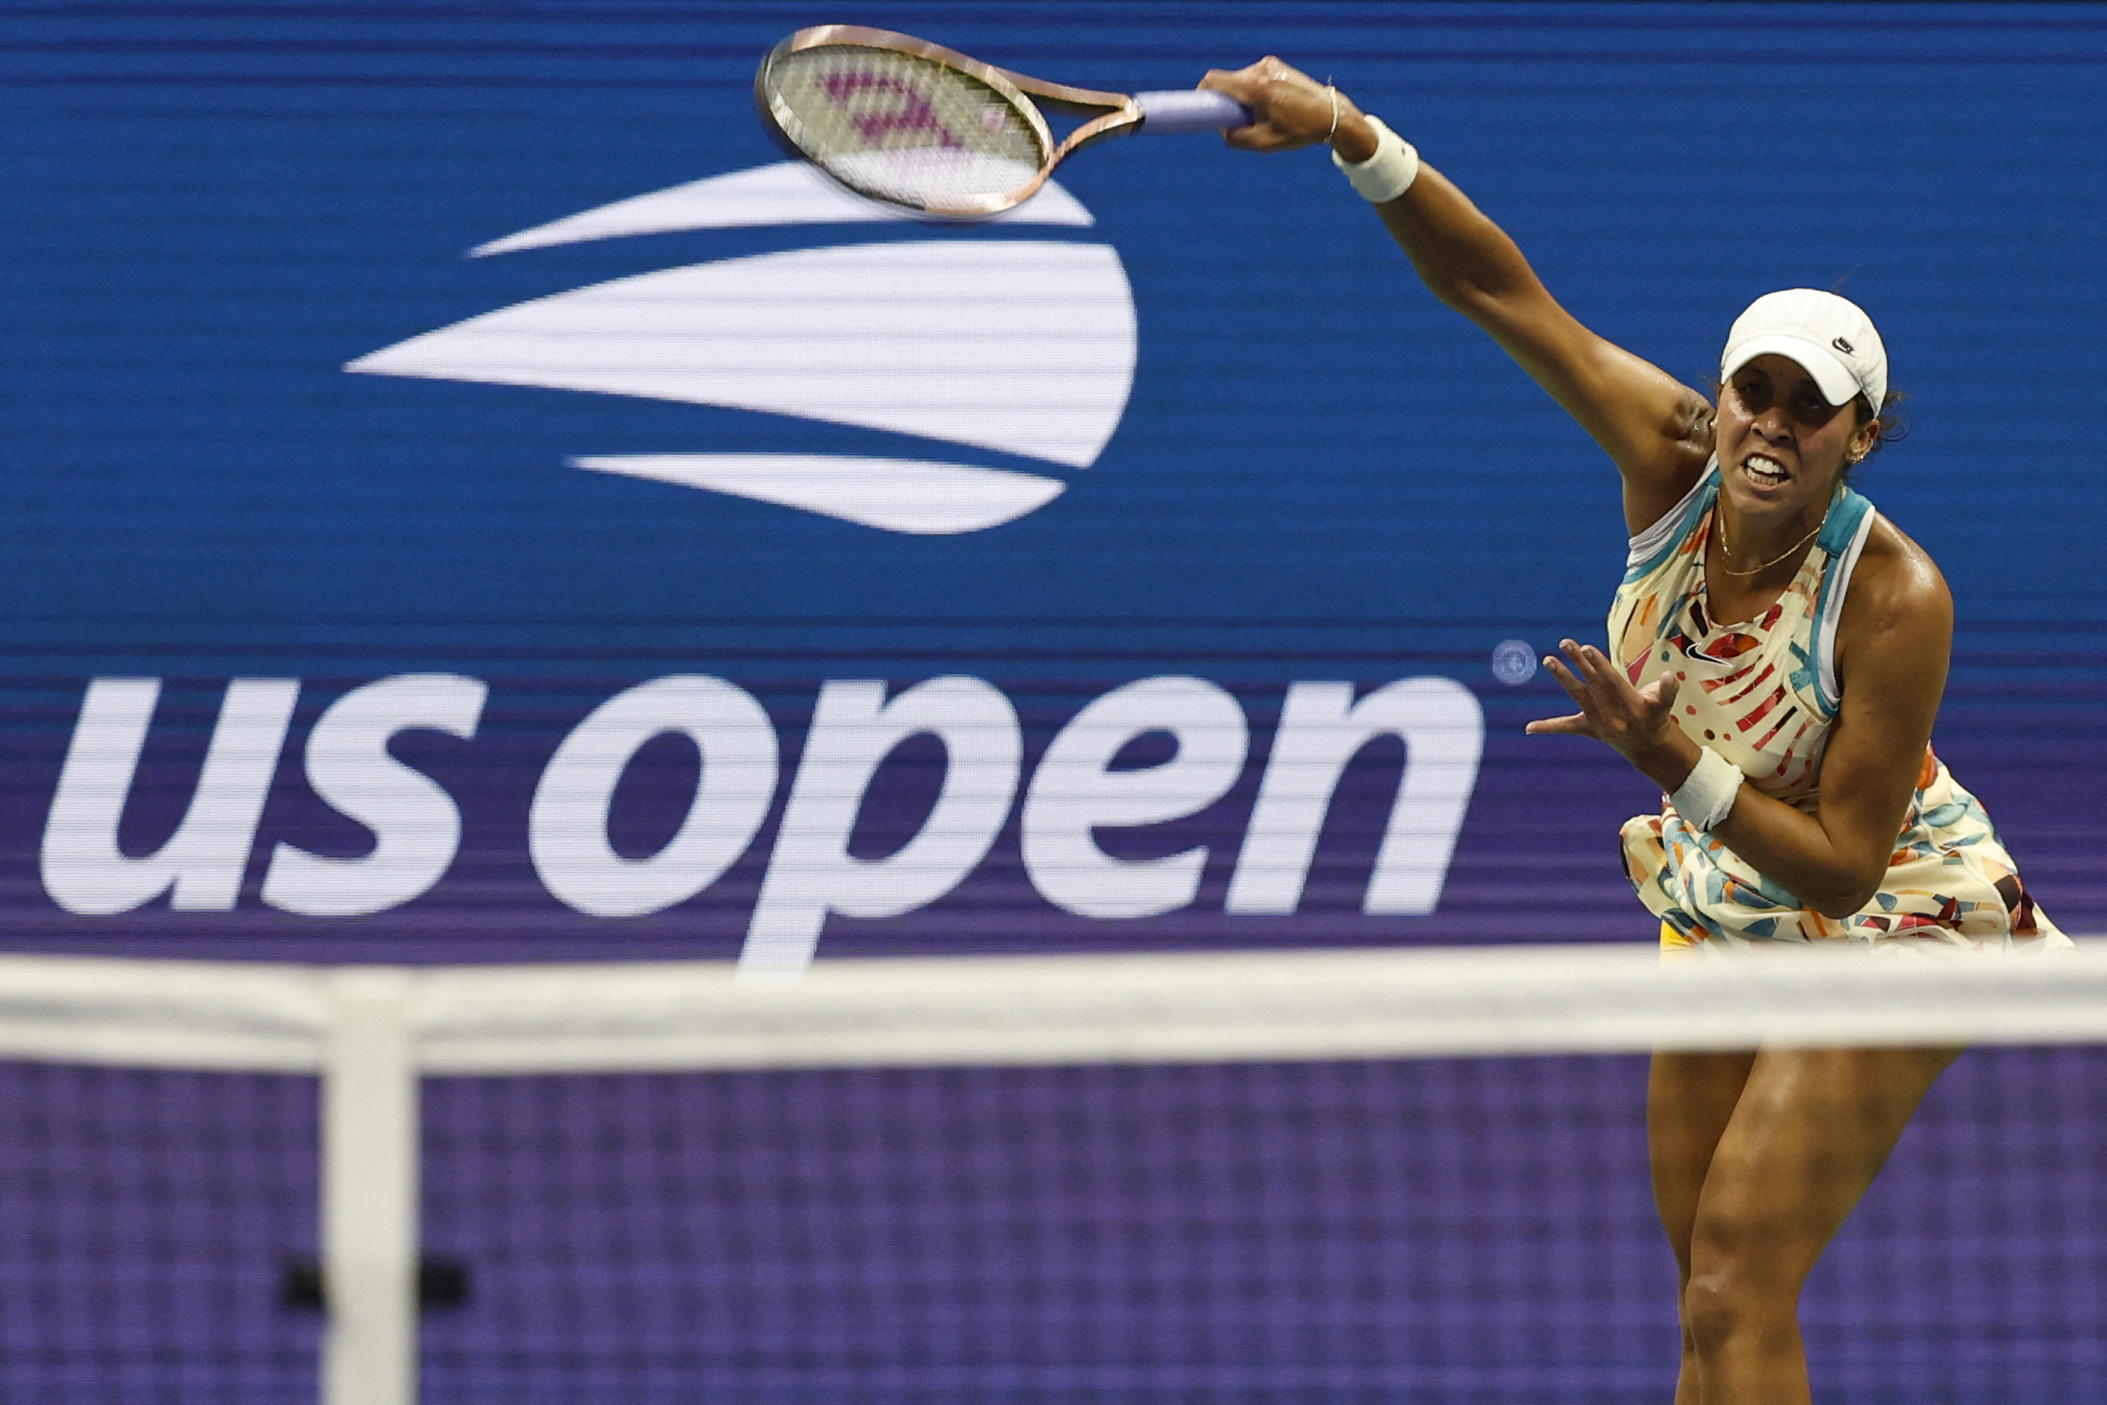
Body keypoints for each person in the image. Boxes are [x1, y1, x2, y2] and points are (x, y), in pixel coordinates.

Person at [1199, 57, 2071, 1405]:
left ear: (1862, 436)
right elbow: (1496, 288)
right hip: (1725, 883)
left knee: (1739, 1268)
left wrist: (1671, 759)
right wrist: (1353, 132)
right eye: (1753, 392)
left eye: (1808, 408)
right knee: (1708, 1292)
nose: (1771, 425)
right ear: (1718, 397)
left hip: (1897, 909)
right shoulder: (1670, 454)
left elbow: (1843, 865)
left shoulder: (1896, 596)